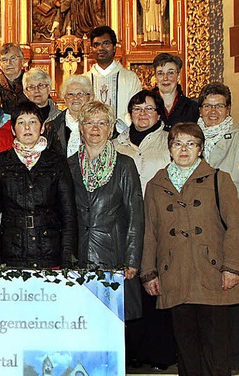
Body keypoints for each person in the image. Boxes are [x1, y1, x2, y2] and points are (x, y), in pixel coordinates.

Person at [141, 122, 239, 375]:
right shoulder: (156, 185)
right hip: (174, 274)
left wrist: (231, 267)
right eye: (178, 143)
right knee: (186, 347)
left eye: (191, 144)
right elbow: (150, 231)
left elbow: (235, 225)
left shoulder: (220, 179)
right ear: (170, 149)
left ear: (200, 149)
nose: (184, 149)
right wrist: (149, 272)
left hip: (212, 273)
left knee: (216, 346)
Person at [197, 82, 239, 372]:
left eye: (219, 105)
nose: (213, 111)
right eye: (208, 105)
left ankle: (237, 359)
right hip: (202, 230)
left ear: (228, 108)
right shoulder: (191, 137)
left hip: (235, 226)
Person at [67, 101, 144, 322]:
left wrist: (132, 259)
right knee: (82, 323)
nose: (95, 128)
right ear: (81, 128)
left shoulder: (124, 165)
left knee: (113, 326)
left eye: (102, 123)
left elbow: (135, 215)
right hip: (78, 258)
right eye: (89, 123)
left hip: (115, 255)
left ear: (110, 129)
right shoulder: (69, 166)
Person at [114, 90, 174, 370]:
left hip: (159, 223)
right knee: (130, 289)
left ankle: (159, 352)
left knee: (156, 286)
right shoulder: (117, 144)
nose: (142, 114)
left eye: (149, 109)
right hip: (124, 225)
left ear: (159, 113)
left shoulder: (168, 142)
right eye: (137, 109)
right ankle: (132, 352)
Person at [0, 101, 77, 269]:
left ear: (42, 128)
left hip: (50, 254)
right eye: (21, 122)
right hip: (12, 255)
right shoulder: (0, 163)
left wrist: (67, 262)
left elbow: (69, 215)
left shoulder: (57, 162)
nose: (27, 128)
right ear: (13, 130)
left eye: (33, 122)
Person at [84, 26, 142, 134]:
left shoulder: (130, 78)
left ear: (115, 47)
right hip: (90, 139)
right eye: (96, 45)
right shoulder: (84, 80)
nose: (101, 48)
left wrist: (118, 126)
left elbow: (137, 109)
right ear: (91, 49)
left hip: (123, 137)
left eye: (106, 43)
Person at [44, 75, 93, 157]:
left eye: (80, 94)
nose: (75, 98)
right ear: (64, 99)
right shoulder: (51, 127)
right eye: (70, 94)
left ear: (90, 97)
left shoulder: (101, 125)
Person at [151, 53, 199, 130]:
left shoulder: (192, 107)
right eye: (160, 73)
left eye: (170, 73)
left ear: (178, 76)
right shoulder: (146, 106)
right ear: (155, 77)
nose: (165, 78)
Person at [0, 42, 29, 115]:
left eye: (13, 58)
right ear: (0, 64)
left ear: (23, 61)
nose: (9, 63)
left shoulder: (32, 82)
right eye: (4, 60)